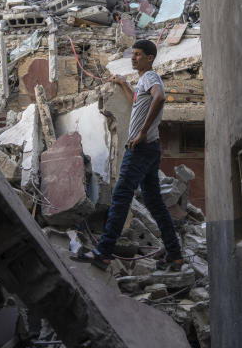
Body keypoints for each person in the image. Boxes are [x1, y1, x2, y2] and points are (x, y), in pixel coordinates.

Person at [71, 39, 184, 271]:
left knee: (121, 196)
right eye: (132, 54)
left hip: (141, 149)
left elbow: (159, 96)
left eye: (138, 54)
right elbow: (138, 101)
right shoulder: (143, 80)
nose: (133, 58)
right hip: (151, 149)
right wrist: (123, 83)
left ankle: (103, 252)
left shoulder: (151, 77)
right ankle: (175, 254)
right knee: (154, 203)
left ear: (150, 58)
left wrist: (142, 132)